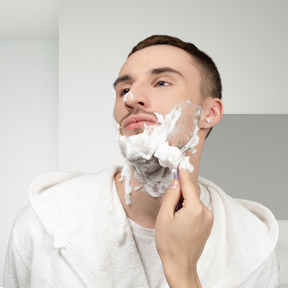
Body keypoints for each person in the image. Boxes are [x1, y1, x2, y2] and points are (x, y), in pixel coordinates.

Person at [4, 35, 279, 288]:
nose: (131, 99)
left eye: (161, 83)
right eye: (124, 89)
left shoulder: (252, 245)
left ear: (210, 112)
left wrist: (183, 274)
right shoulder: (44, 222)